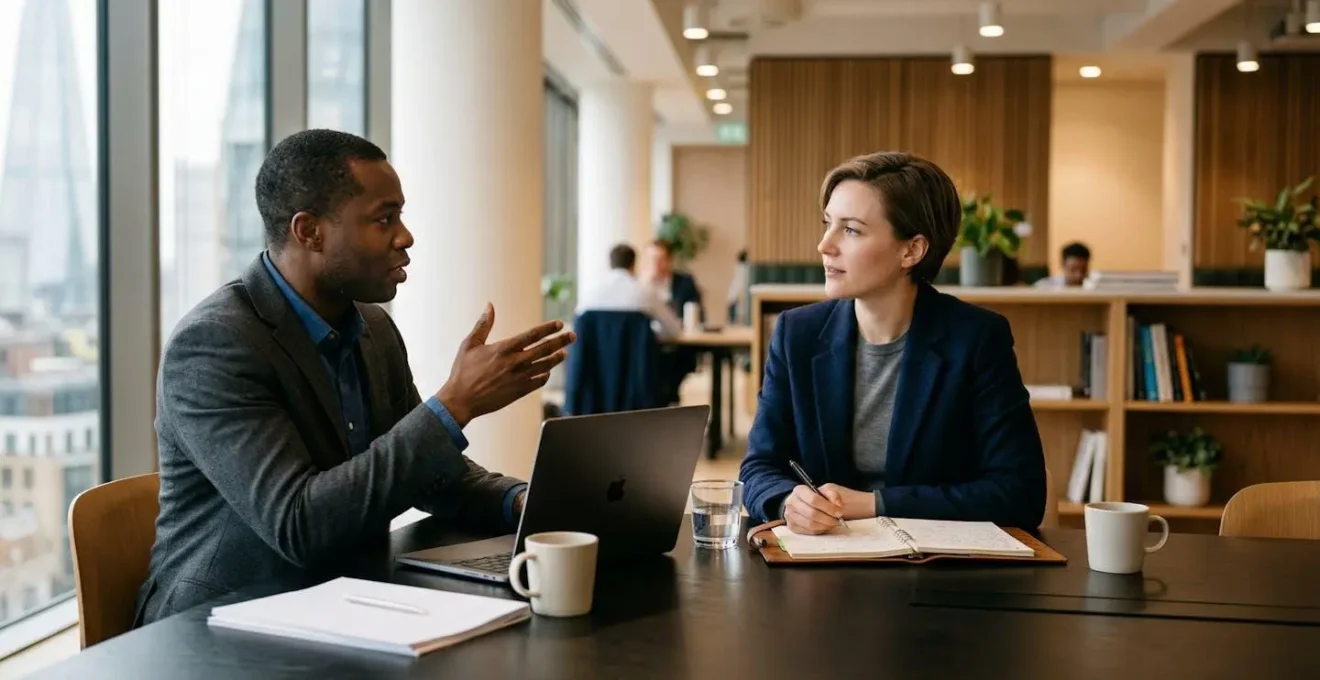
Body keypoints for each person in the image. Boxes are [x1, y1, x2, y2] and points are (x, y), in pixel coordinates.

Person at [134, 129, 575, 625]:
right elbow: (299, 524)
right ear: (309, 231)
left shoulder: (373, 327)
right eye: (384, 219)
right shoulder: (215, 345)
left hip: (341, 599)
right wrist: (454, 405)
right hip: (219, 626)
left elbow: (430, 477)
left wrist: (524, 502)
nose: (405, 236)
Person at [738, 151, 1046, 535]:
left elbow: (1020, 492)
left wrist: (873, 504)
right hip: (824, 567)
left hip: (937, 572)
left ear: (912, 250)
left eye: (850, 230)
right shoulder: (796, 334)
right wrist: (787, 500)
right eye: (828, 224)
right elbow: (757, 468)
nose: (824, 245)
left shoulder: (977, 338)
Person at [640, 239, 704, 403]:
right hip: (649, 346)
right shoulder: (640, 285)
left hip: (679, 345)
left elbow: (699, 313)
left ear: (669, 260)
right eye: (651, 259)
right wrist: (645, 285)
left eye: (660, 259)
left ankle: (665, 401)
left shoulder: (684, 282)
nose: (655, 264)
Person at [576, 244, 683, 340]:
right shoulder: (645, 292)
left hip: (595, 361)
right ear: (633, 265)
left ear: (610, 264)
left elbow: (578, 328)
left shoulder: (589, 294)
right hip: (637, 361)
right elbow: (674, 331)